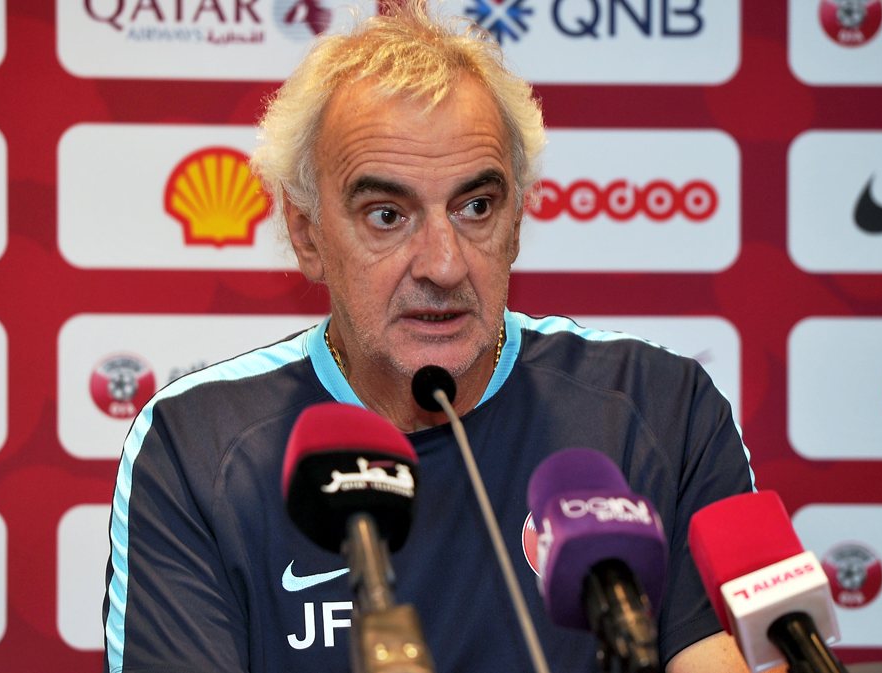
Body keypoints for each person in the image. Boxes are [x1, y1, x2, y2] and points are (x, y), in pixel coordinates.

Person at [102, 2, 777, 672]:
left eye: (476, 206)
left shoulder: (660, 407)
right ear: (307, 234)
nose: (444, 264)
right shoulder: (197, 445)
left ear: (516, 220)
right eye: (388, 215)